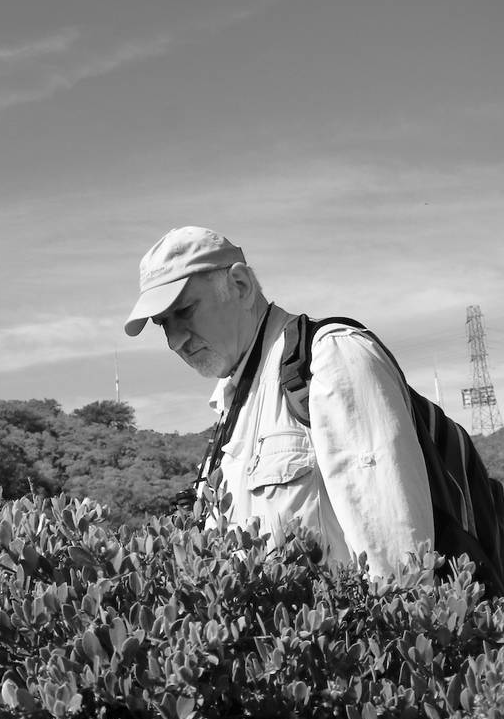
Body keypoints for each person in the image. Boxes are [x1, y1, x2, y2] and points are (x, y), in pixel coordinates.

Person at [124, 226, 433, 579]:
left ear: (240, 286)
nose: (175, 340)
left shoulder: (330, 356)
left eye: (185, 311)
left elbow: (397, 557)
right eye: (163, 324)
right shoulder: (234, 400)